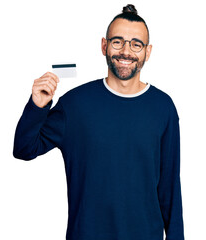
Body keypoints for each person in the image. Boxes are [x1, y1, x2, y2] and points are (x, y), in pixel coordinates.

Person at [13, 4, 185, 240]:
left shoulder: (163, 107)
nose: (126, 51)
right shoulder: (75, 104)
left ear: (148, 51)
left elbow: (170, 188)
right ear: (104, 45)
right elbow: (24, 149)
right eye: (117, 42)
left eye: (136, 44)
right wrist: (37, 106)